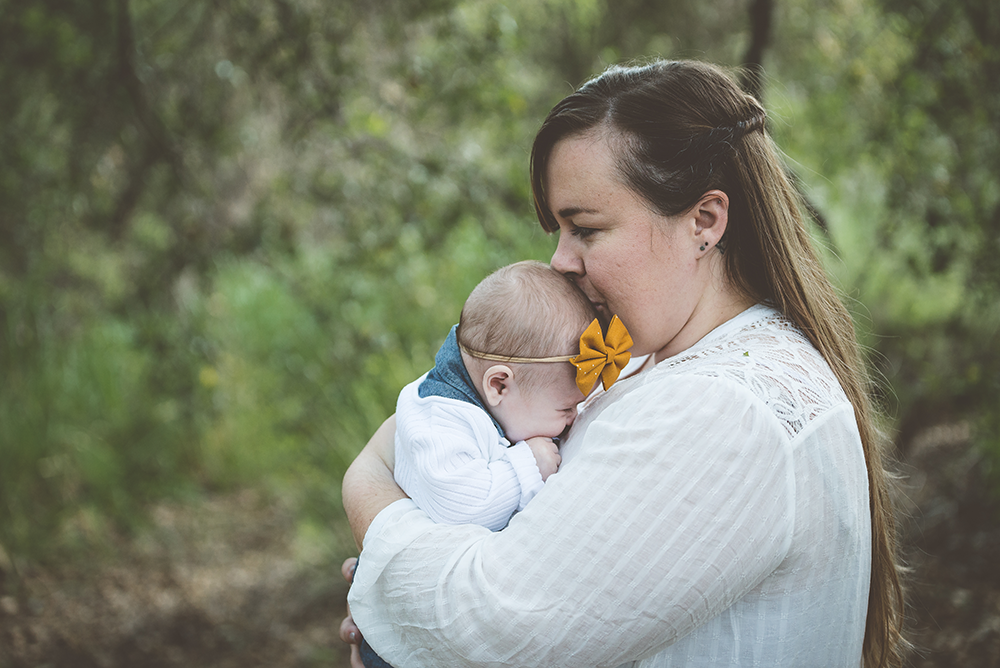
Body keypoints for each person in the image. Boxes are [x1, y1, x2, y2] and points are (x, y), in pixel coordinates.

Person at [340, 59, 906, 667]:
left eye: (584, 229)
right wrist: (409, 587)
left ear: (704, 221)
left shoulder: (720, 411)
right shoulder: (682, 368)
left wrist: (370, 491)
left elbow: (496, 627)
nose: (559, 261)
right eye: (558, 230)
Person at [357, 259, 633, 667]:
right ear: (499, 384)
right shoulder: (441, 419)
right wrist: (528, 464)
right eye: (566, 407)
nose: (572, 418)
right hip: (407, 632)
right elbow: (460, 506)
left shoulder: (486, 397)